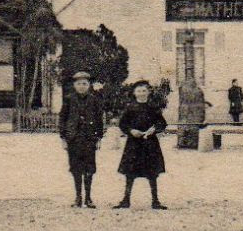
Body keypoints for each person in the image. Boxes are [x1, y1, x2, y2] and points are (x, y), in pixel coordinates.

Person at [115, 80, 169, 209]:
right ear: (134, 93)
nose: (141, 93)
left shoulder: (153, 108)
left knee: (152, 173)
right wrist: (131, 131)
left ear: (148, 92)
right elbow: (123, 124)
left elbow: (162, 123)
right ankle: (126, 200)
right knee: (130, 172)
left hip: (150, 144)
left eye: (144, 91)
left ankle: (155, 201)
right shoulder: (130, 108)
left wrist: (154, 129)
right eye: (138, 91)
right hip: (133, 144)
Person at [59, 70, 106, 207]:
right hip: (73, 138)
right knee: (76, 168)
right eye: (79, 83)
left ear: (89, 85)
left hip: (89, 139)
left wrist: (99, 138)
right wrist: (63, 137)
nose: (81, 86)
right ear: (74, 85)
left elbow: (99, 120)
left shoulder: (94, 100)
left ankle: (88, 198)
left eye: (84, 83)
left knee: (89, 168)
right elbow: (63, 118)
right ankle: (78, 197)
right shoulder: (68, 99)